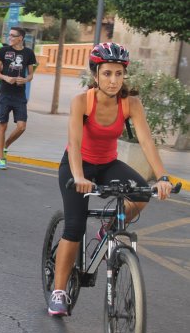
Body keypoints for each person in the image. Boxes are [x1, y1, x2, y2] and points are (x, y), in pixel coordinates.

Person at [48, 42, 174, 316]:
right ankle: (58, 291)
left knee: (141, 194)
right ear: (96, 75)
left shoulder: (131, 103)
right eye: (107, 73)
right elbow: (74, 142)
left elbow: (146, 141)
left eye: (118, 73)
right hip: (77, 165)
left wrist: (162, 177)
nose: (113, 80)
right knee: (74, 227)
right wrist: (80, 177)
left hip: (108, 164)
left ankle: (108, 229)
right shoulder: (82, 101)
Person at [0, 26, 37, 170]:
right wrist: (6, 77)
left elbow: (30, 74)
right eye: (9, 35)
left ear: (21, 38)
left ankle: (6, 145)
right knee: (2, 126)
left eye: (13, 35)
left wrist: (25, 80)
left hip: (19, 95)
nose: (9, 37)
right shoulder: (3, 51)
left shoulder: (28, 53)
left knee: (21, 126)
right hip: (5, 93)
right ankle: (0, 158)